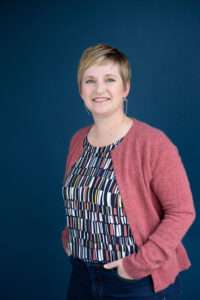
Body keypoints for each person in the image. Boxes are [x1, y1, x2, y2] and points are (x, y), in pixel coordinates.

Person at [61, 43, 195, 299]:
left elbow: (182, 211)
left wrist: (137, 266)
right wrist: (70, 240)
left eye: (109, 79)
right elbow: (79, 199)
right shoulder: (78, 140)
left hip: (136, 283)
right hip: (81, 277)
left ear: (126, 88)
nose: (99, 89)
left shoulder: (152, 143)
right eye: (90, 81)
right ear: (81, 90)